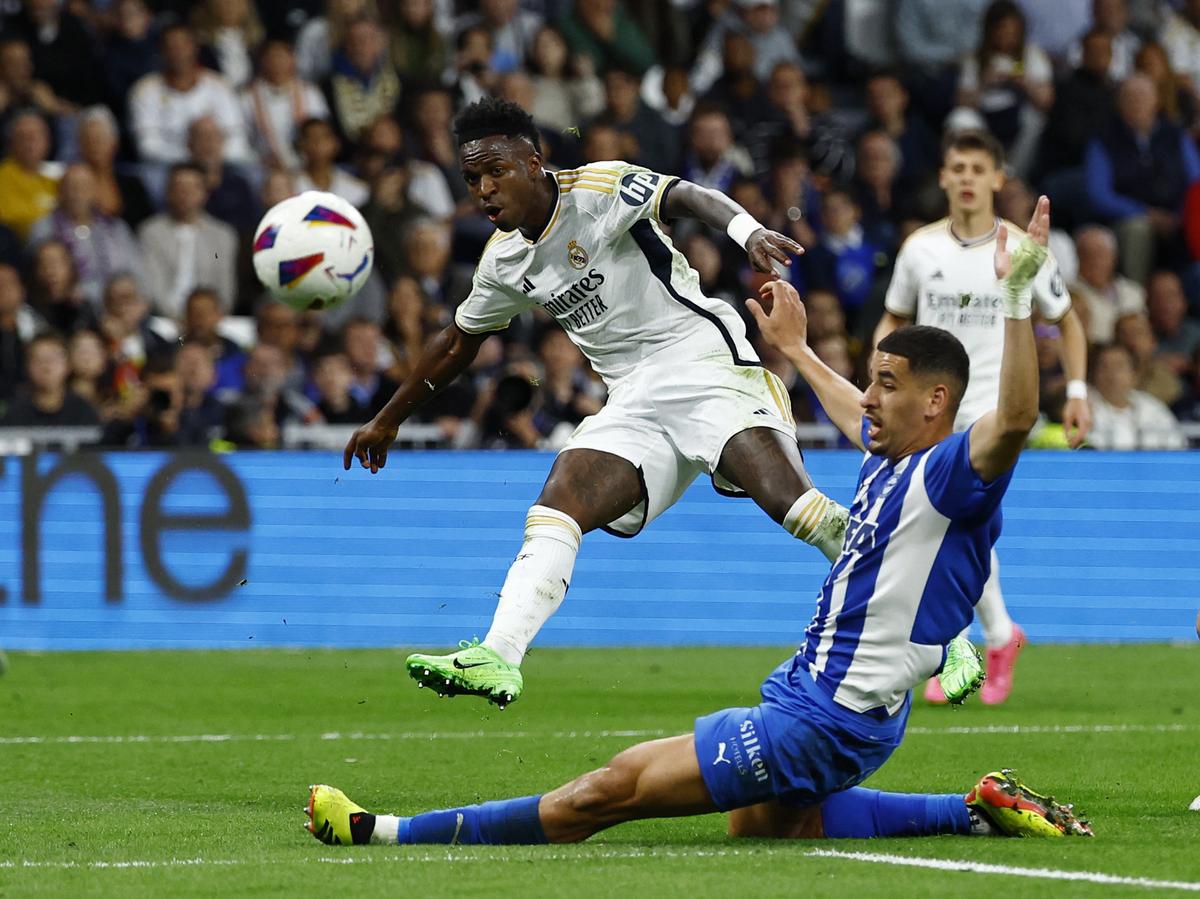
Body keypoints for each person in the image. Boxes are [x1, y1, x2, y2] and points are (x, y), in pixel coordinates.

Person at [308, 199, 1093, 848]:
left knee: (607, 791)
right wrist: (798, 350)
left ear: (936, 405)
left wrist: (1019, 295)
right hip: (842, 707)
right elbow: (853, 409)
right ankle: (972, 805)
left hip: (821, 719)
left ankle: (384, 832)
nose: (870, 397)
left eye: (888, 384)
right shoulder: (892, 450)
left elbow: (1017, 415)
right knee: (763, 822)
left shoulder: (953, 471)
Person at [343, 97, 849, 708]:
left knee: (797, 509)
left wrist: (747, 233)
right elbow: (457, 341)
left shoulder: (600, 187)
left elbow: (687, 195)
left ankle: (938, 624)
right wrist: (386, 420)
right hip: (632, 398)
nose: (484, 188)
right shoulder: (504, 260)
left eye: (496, 170)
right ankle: (500, 656)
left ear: (534, 162)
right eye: (472, 177)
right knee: (559, 501)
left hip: (702, 363)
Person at [872, 130, 1091, 707]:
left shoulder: (1021, 247)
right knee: (949, 526)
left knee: (954, 521)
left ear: (998, 178)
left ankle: (977, 640)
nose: (967, 178)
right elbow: (892, 319)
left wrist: (1078, 391)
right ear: (943, 178)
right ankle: (986, 638)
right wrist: (882, 383)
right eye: (957, 168)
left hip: (997, 410)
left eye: (978, 168)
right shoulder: (919, 249)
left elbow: (1066, 319)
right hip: (932, 410)